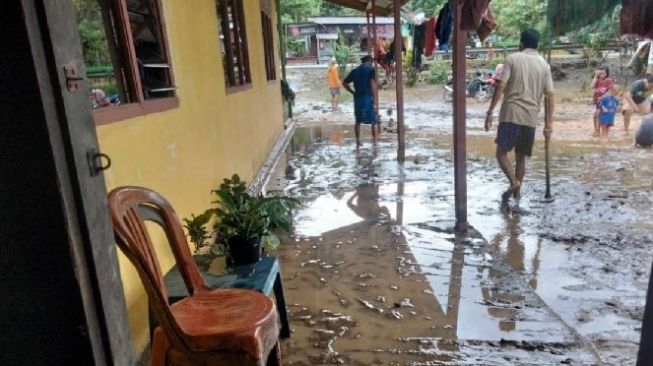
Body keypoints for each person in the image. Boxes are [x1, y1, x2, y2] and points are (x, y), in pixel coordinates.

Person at [484, 28, 555, 203]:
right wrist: (549, 124)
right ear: (537, 45)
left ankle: (514, 183)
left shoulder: (512, 59)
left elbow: (501, 86)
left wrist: (490, 111)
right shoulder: (544, 65)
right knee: (521, 156)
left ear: (521, 43)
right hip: (530, 117)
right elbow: (550, 95)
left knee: (501, 154)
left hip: (511, 114)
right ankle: (517, 195)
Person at [343, 55, 378, 145]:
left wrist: (352, 92)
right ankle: (374, 141)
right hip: (368, 97)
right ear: (369, 61)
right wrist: (375, 98)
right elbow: (372, 84)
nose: (372, 64)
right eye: (372, 62)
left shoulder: (355, 71)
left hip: (358, 98)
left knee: (358, 120)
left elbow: (344, 83)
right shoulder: (370, 70)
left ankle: (358, 140)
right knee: (373, 120)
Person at [591, 66, 614, 136]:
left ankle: (602, 132)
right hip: (598, 102)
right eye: (600, 74)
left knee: (600, 115)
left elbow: (609, 92)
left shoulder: (609, 80)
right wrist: (595, 76)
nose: (602, 75)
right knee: (595, 115)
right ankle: (597, 130)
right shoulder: (597, 81)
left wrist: (602, 97)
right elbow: (592, 86)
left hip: (605, 102)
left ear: (607, 74)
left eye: (603, 73)